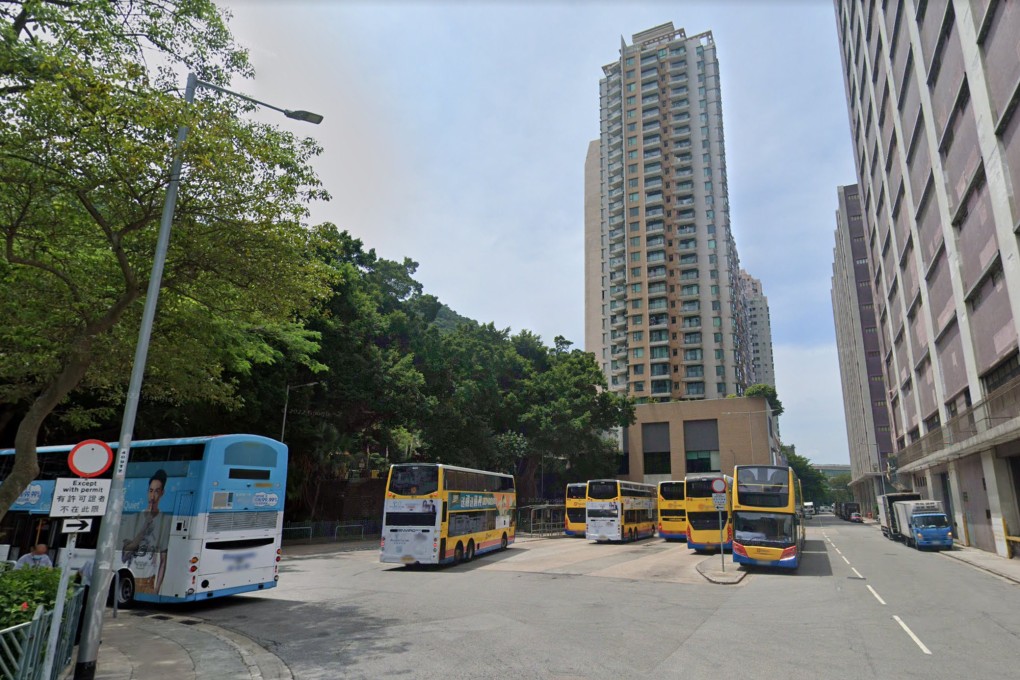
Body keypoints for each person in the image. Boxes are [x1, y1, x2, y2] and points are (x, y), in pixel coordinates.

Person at [119, 469, 171, 595]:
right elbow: (124, 555)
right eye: (151, 491)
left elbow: (163, 560)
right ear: (148, 492)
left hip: (149, 581)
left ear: (162, 493)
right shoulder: (135, 518)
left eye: (157, 491)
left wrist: (157, 589)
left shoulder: (165, 521)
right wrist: (144, 527)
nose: (153, 496)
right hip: (131, 574)